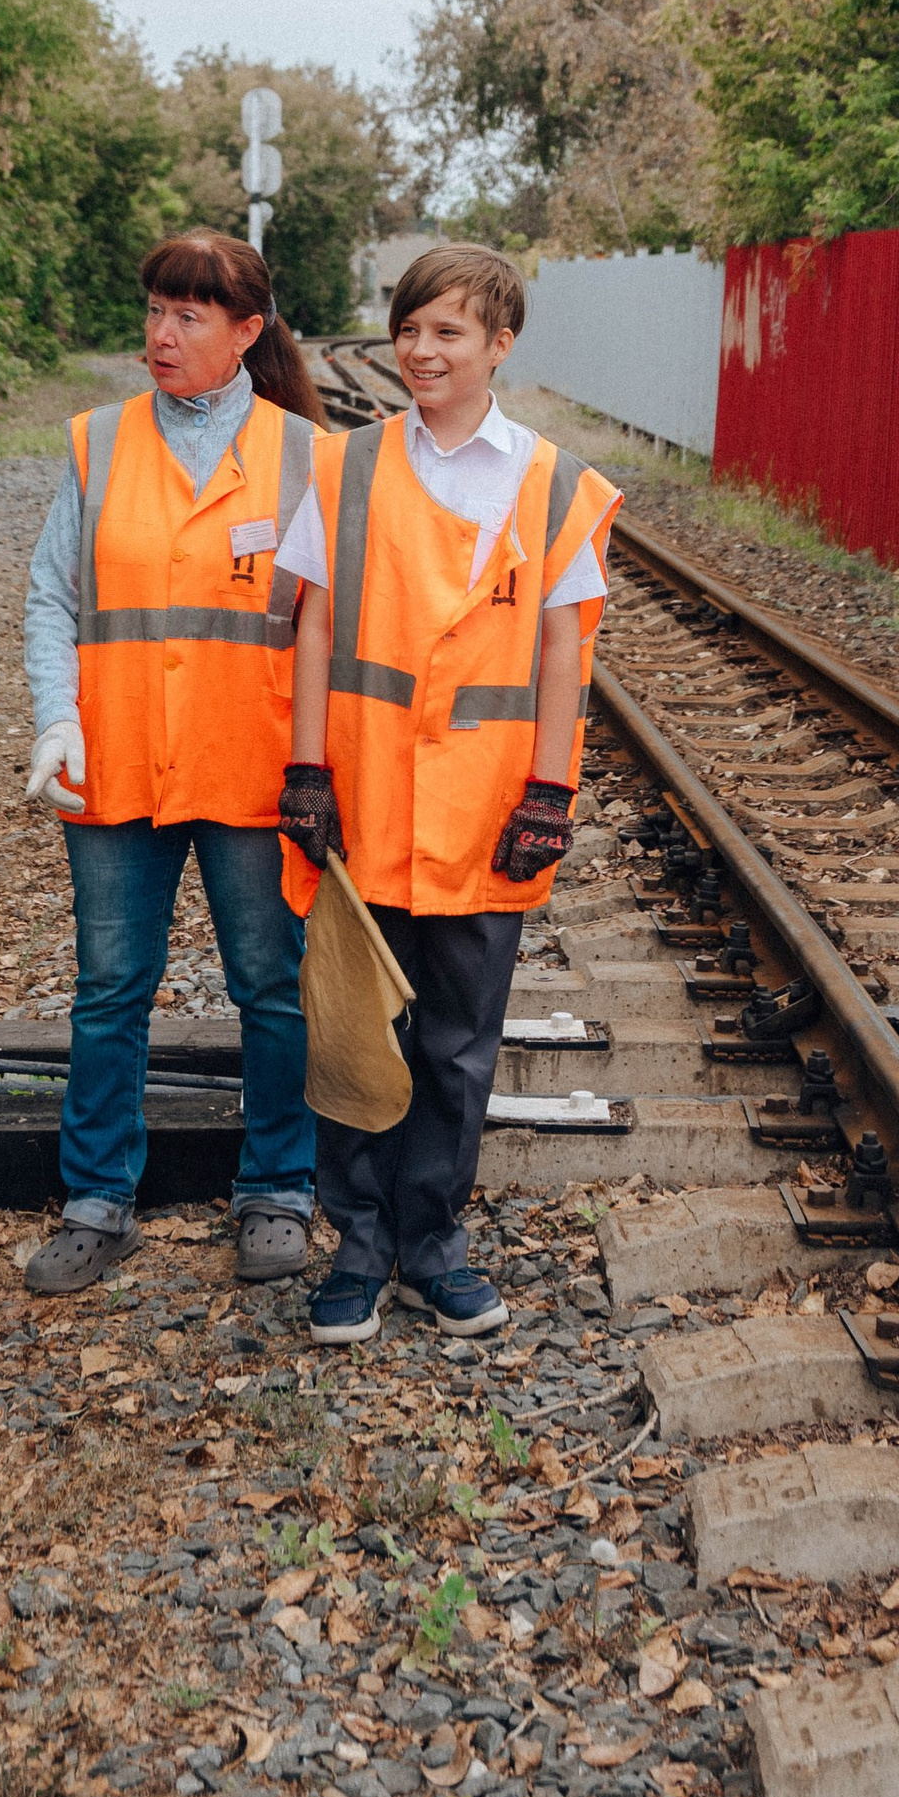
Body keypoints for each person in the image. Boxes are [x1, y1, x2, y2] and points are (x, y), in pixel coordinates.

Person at [273, 240, 620, 1344]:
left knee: (460, 1042)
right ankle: (357, 1245)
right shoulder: (344, 467)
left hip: (483, 812)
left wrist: (551, 793)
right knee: (354, 1031)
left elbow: (565, 650)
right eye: (409, 327)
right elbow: (315, 623)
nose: (420, 349)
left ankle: (431, 1243)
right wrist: (305, 764)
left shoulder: (554, 484)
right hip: (365, 802)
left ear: (498, 344)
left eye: (447, 331)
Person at [18, 230, 329, 1296]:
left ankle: (278, 1190)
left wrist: (321, 765)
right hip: (120, 763)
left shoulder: (305, 456)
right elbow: (53, 595)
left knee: (272, 989)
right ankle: (98, 1199)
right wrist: (57, 717)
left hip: (252, 769)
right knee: (110, 989)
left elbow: (334, 625)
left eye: (188, 314)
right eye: (154, 308)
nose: (160, 332)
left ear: (248, 331)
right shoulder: (98, 443)